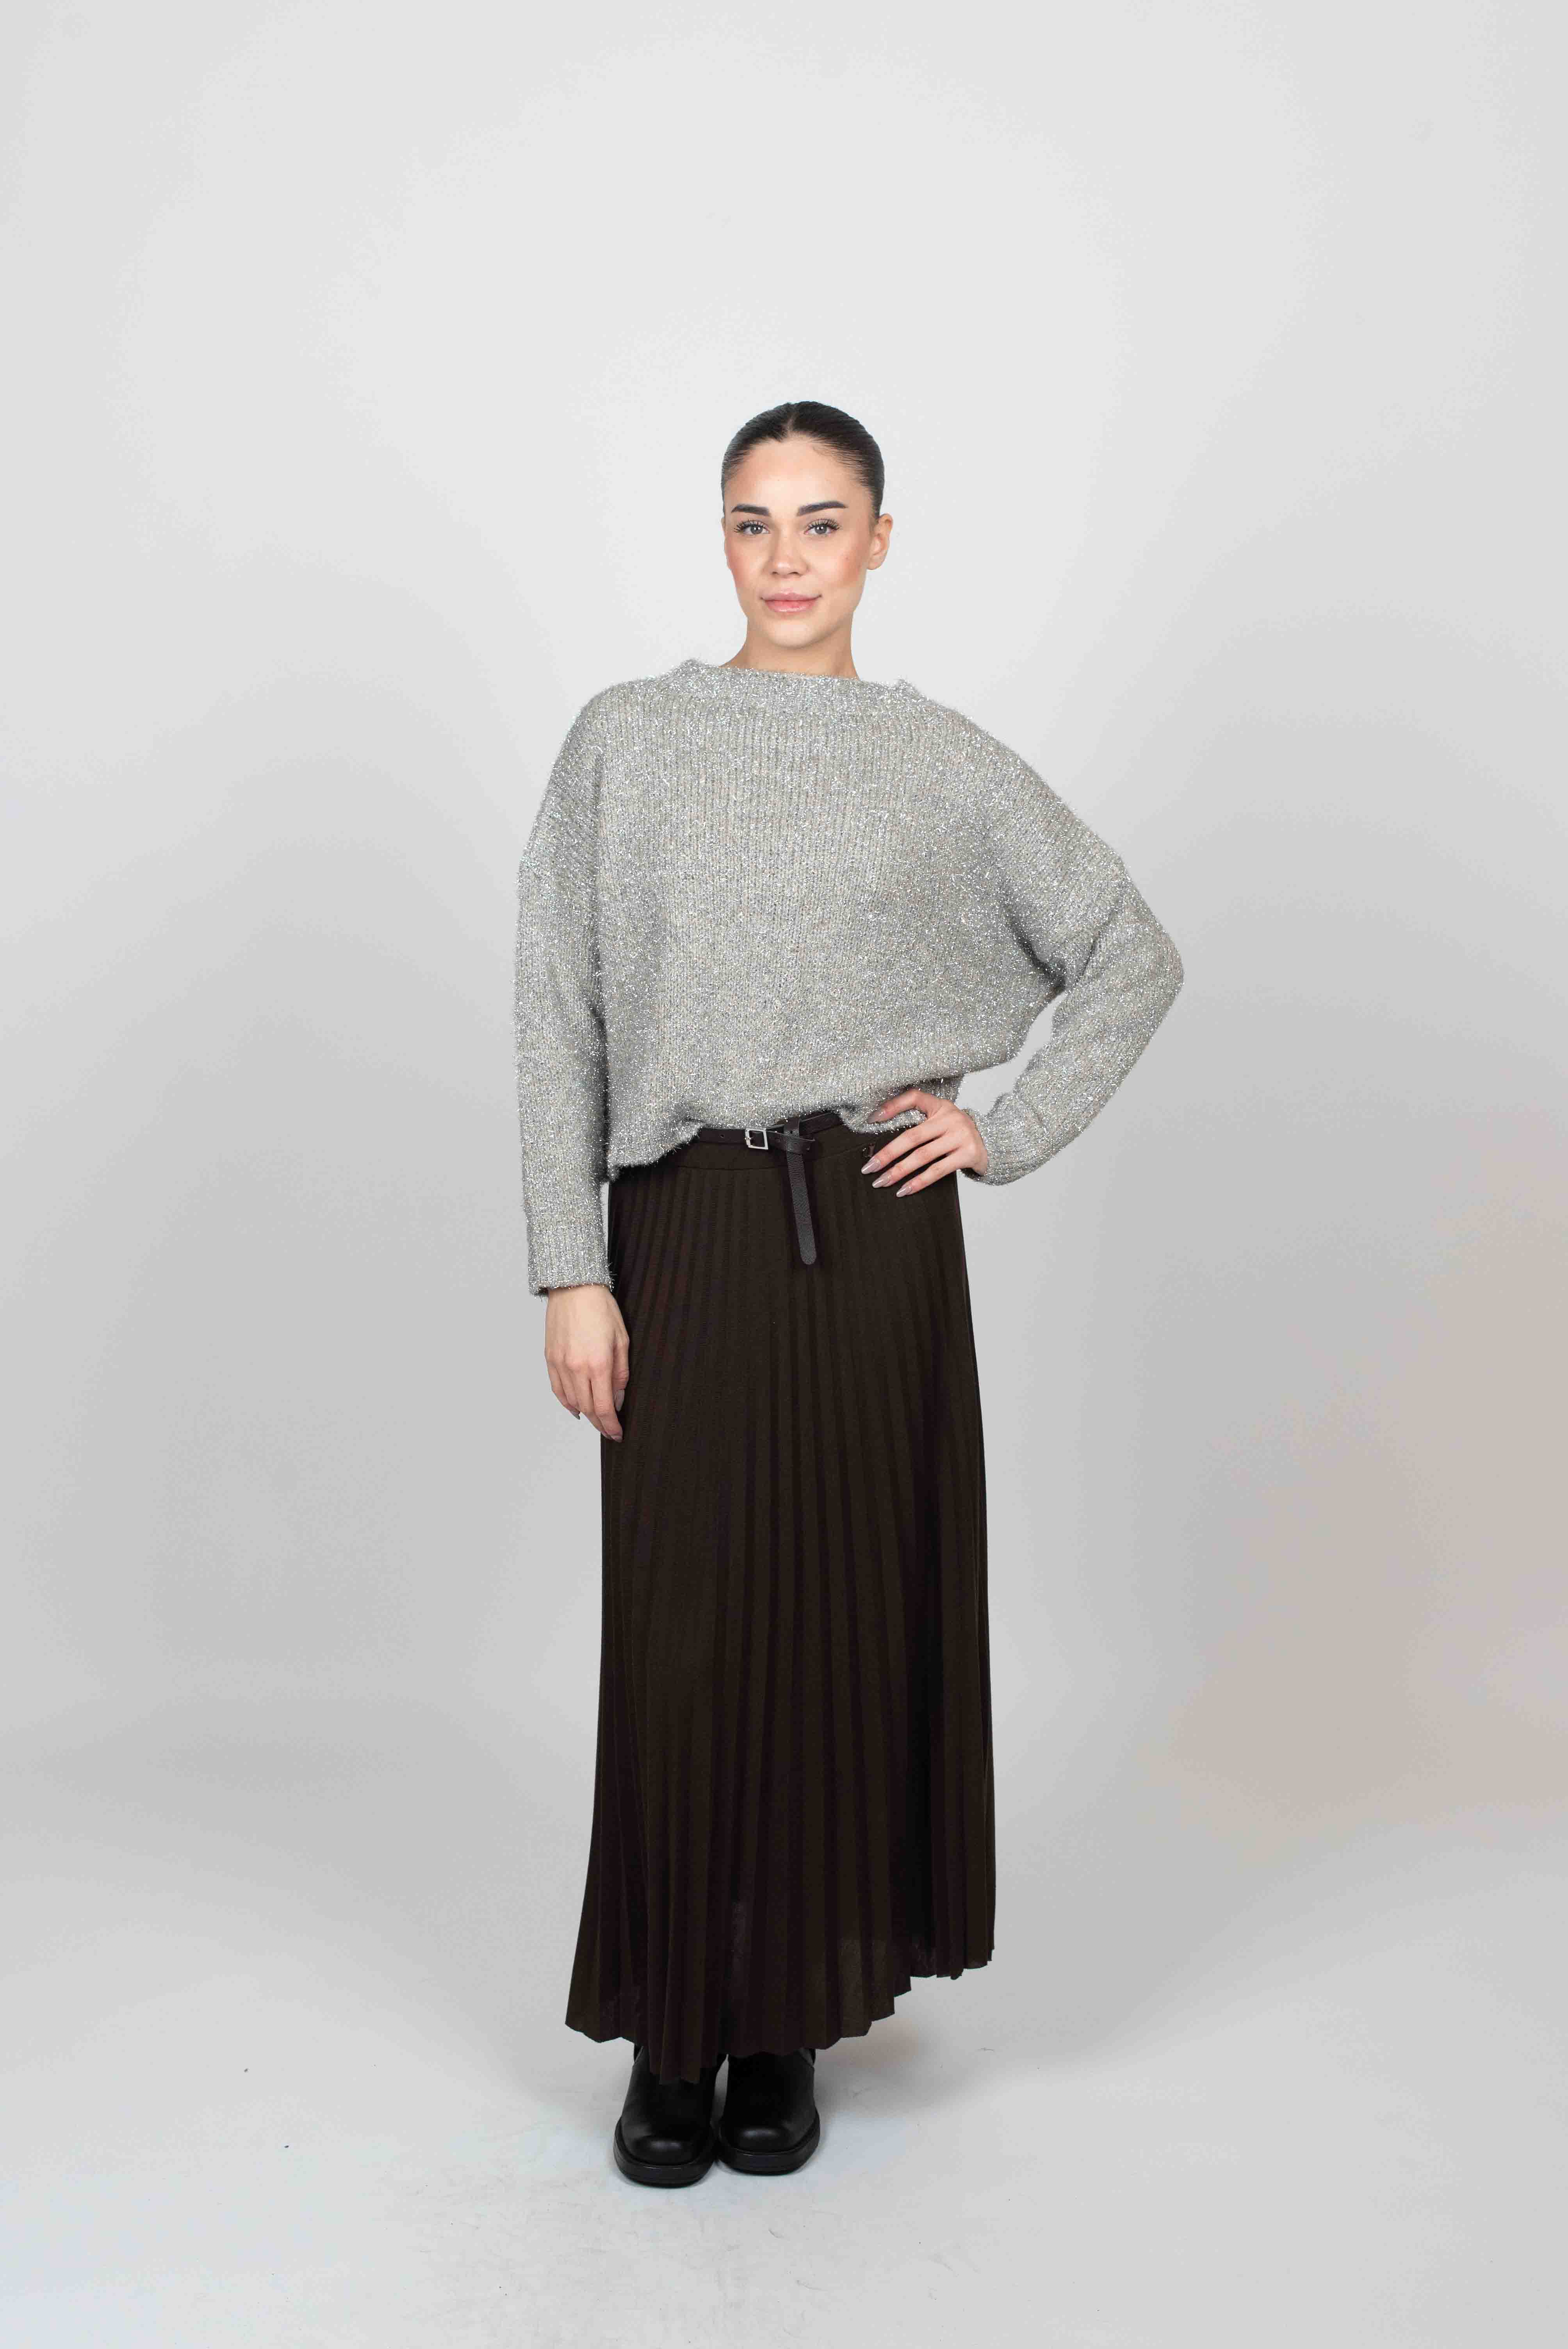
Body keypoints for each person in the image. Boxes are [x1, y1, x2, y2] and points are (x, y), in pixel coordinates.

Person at [513, 399, 1184, 2187]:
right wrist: (571, 1264)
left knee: (834, 1629)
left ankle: (783, 2031)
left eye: (821, 521)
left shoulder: (937, 760)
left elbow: (1127, 952)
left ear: (878, 540)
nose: (786, 557)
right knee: (682, 1637)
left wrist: (1000, 1129)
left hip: (871, 1238)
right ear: (719, 541)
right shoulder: (629, 741)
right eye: (754, 521)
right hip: (682, 1227)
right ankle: (670, 2030)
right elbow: (555, 1006)